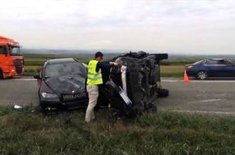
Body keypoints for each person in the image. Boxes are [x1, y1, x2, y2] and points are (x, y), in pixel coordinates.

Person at [85, 51, 117, 122]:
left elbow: (102, 64)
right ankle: (87, 120)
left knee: (91, 102)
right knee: (92, 104)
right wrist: (113, 64)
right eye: (101, 58)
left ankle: (92, 117)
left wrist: (110, 63)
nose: (101, 59)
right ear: (98, 57)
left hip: (89, 85)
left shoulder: (91, 62)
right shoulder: (97, 63)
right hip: (93, 86)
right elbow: (105, 66)